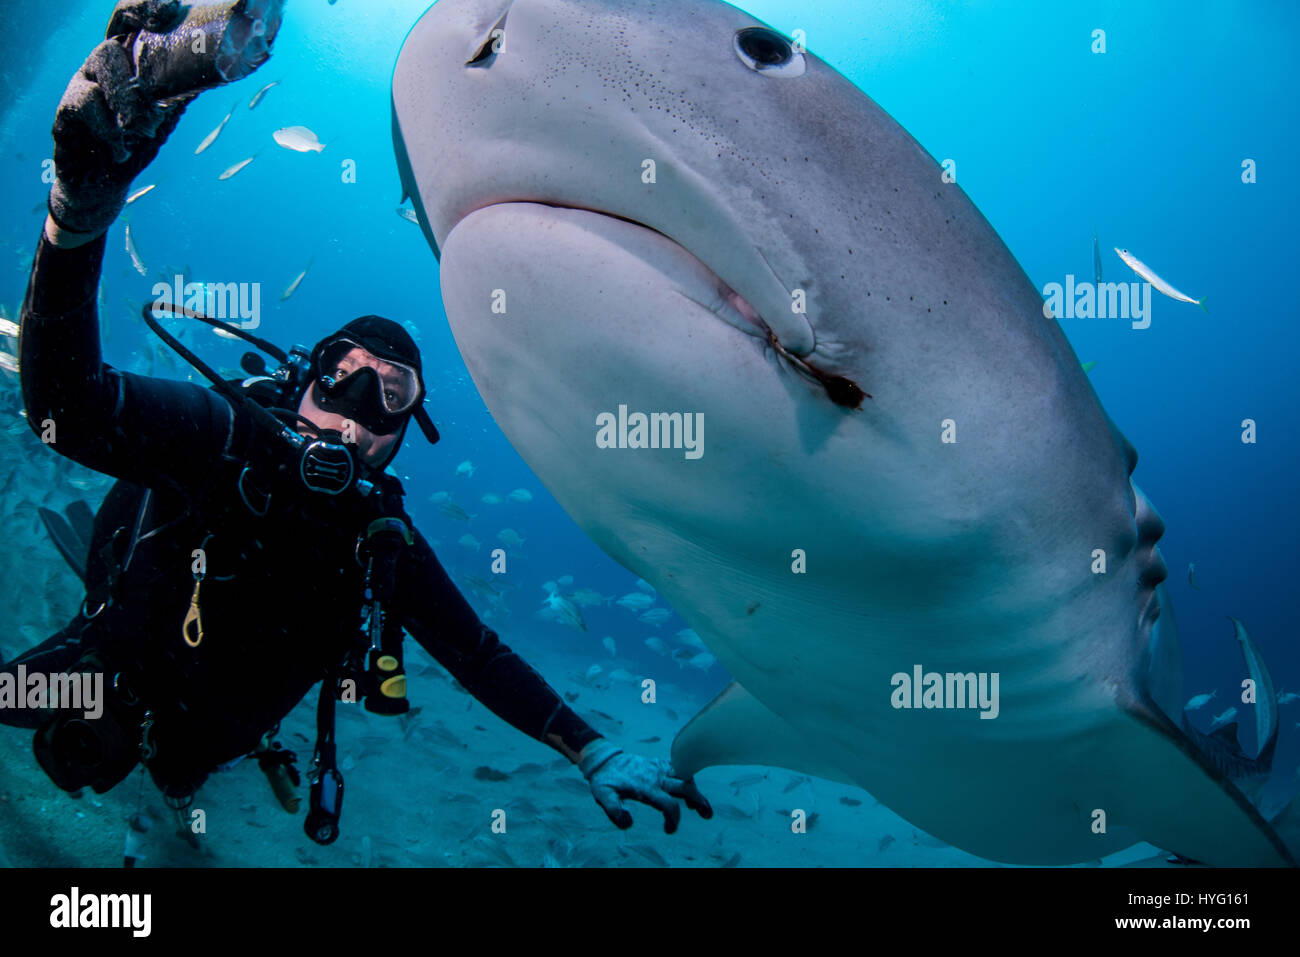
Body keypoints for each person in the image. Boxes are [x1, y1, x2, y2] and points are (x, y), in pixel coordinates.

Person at [0, 0, 710, 848]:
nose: (356, 412)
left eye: (391, 396)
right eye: (340, 379)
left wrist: (590, 748)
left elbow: (475, 651)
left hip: (213, 739)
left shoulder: (381, 538)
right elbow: (62, 408)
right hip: (101, 665)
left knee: (175, 789)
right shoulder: (223, 433)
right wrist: (77, 211)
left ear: (410, 427)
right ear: (300, 383)